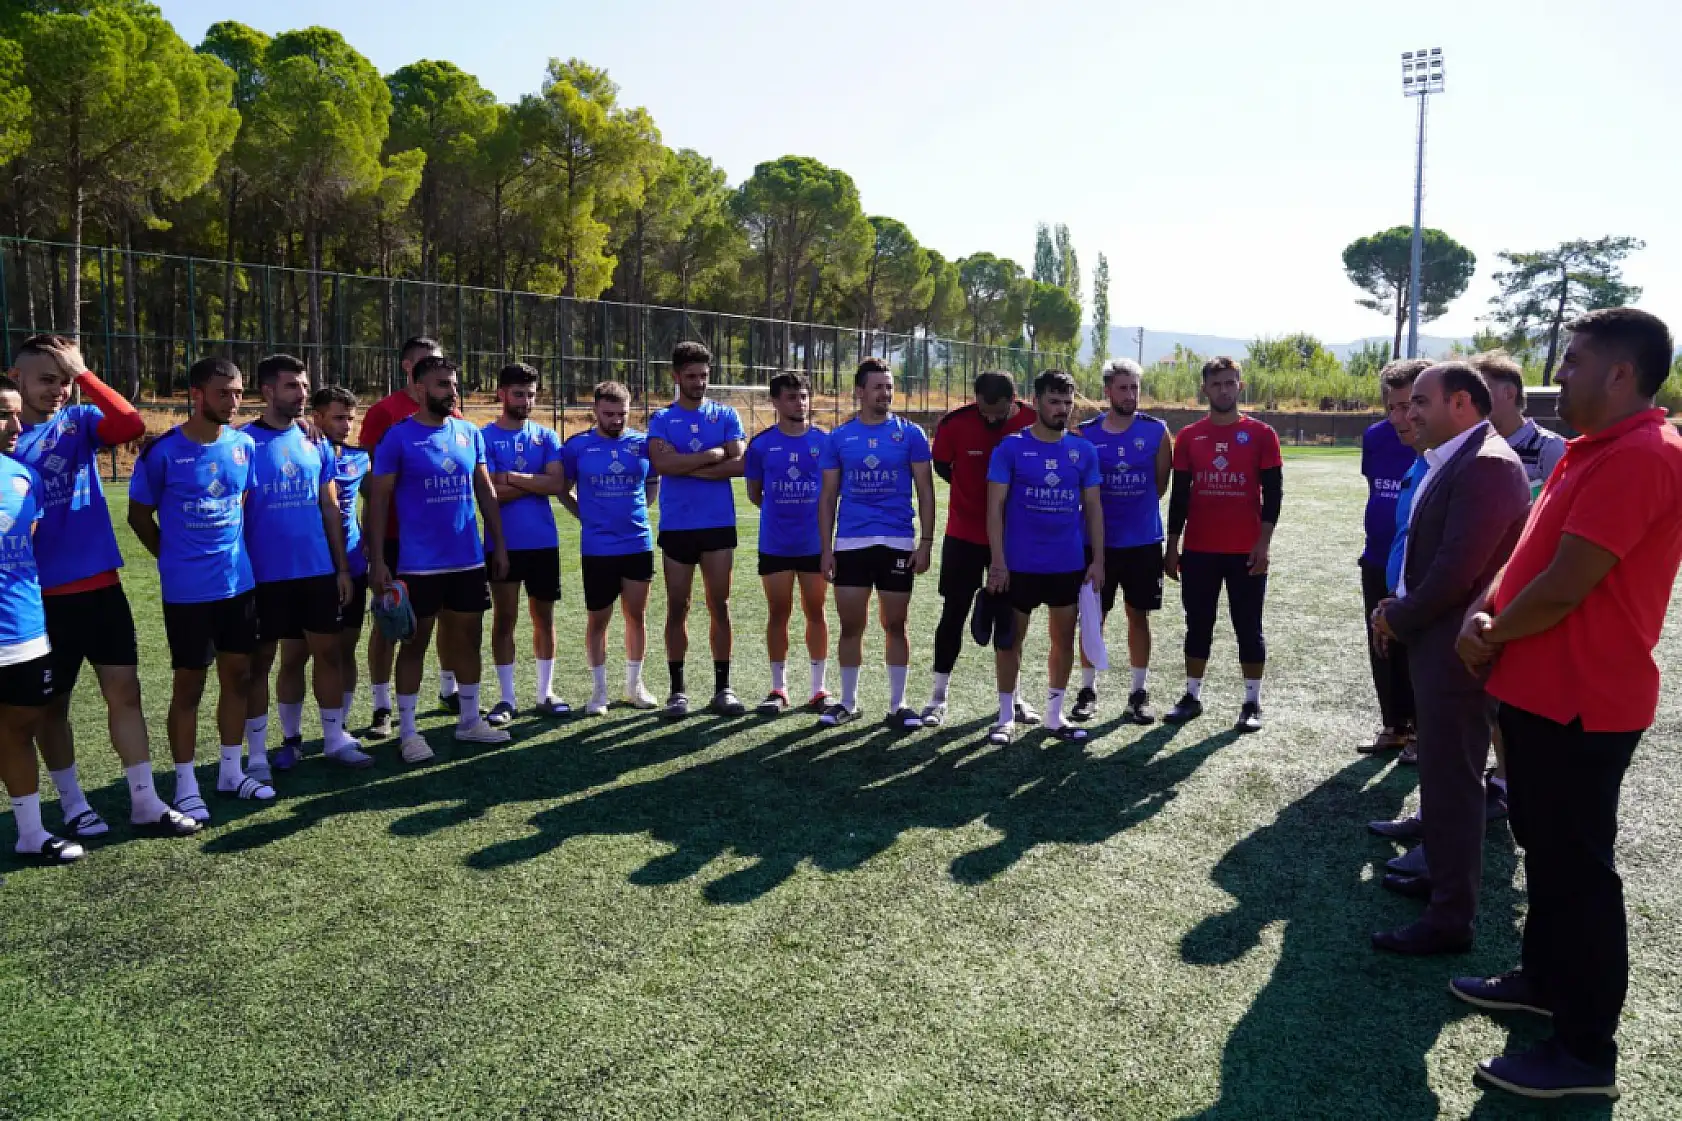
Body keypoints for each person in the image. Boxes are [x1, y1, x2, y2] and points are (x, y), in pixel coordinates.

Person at [1453, 308, 1682, 1101]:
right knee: (1549, 853)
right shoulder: (1594, 449)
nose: (1562, 375)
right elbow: (1529, 553)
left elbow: (1570, 580)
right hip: (1541, 693)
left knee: (1580, 873)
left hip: (1583, 702)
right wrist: (1490, 609)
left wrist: (1491, 630)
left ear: (1621, 373)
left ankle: (1586, 1053)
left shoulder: (1644, 454)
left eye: (1576, 360)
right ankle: (1545, 980)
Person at [1368, 362, 1528, 955]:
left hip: (1455, 651)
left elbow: (1458, 572)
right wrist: (1400, 605)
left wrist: (1397, 616)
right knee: (1442, 778)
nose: (1409, 414)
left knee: (1454, 784)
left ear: (1461, 403)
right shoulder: (1460, 457)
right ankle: (1442, 886)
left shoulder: (1484, 464)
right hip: (1437, 641)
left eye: (1420, 403)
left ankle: (1450, 918)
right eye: (1408, 405)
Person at [8, 335, 197, 839]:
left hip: (101, 588)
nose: (58, 390)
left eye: (64, 380)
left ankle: (144, 800)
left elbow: (130, 425)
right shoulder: (6, 442)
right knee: (53, 709)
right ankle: (73, 804)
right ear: (15, 378)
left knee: (125, 693)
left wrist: (85, 374)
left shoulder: (79, 422)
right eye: (47, 379)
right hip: (40, 599)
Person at [127, 357, 272, 822]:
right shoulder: (163, 452)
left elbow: (242, 502)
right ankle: (186, 783)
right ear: (197, 394)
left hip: (238, 585)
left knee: (240, 677)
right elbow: (138, 516)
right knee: (188, 686)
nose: (233, 401)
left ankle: (231, 772)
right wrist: (172, 559)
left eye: (237, 392)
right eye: (223, 392)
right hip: (188, 593)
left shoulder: (243, 445)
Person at [365, 355, 511, 763]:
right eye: (442, 384)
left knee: (468, 640)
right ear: (418, 388)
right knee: (414, 645)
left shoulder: (469, 433)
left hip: (466, 560)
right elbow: (378, 502)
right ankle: (409, 732)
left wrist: (498, 544)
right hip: (419, 565)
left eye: (453, 384)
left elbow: (485, 492)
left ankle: (469, 721)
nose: (451, 391)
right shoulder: (397, 438)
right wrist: (377, 559)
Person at [240, 354, 368, 778]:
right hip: (264, 576)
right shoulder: (242, 444)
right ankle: (263, 751)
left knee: (329, 655)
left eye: (304, 386)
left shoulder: (314, 442)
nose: (301, 394)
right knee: (264, 663)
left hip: (317, 573)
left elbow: (330, 507)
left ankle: (334, 740)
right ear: (268, 391)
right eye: (293, 386)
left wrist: (342, 569)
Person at [983, 369, 1104, 745]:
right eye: (1054, 401)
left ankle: (1054, 716)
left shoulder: (1082, 451)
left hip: (1066, 564)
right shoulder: (1011, 448)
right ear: (1036, 402)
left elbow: (1094, 510)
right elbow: (994, 509)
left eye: (1068, 402)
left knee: (1063, 640)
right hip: (1019, 565)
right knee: (1009, 641)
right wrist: (998, 562)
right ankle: (1006, 716)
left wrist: (1098, 560)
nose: (1062, 409)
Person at [1470, 349, 1567, 818]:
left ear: (1508, 393)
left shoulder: (1549, 448)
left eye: (1483, 388)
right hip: (1479, 589)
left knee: (1509, 697)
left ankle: (1507, 782)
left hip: (1523, 594)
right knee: (1479, 695)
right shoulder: (1476, 444)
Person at [1162, 357, 1282, 732]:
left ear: (1240, 386)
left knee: (1248, 626)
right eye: (1216, 384)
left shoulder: (1262, 434)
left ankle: (1251, 702)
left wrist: (1263, 544)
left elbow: (1274, 494)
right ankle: (1192, 695)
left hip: (1245, 550)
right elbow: (1180, 495)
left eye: (1230, 383)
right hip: (1199, 550)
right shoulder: (1190, 437)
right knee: (1198, 624)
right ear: (1205, 389)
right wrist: (1172, 545)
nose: (1224, 390)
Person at [817, 357, 935, 728]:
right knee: (851, 626)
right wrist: (826, 549)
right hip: (851, 543)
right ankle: (848, 702)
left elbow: (926, 492)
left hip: (898, 542)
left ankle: (898, 706)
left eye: (889, 386)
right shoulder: (839, 437)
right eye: (878, 386)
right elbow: (828, 497)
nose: (886, 393)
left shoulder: (911, 434)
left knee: (896, 625)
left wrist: (926, 542)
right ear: (860, 392)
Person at [357, 336, 466, 734]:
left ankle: (448, 687)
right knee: (392, 620)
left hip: (441, 542)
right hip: (395, 536)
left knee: (448, 619)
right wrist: (372, 537)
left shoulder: (450, 409)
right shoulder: (383, 412)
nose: (438, 373)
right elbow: (374, 482)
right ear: (409, 368)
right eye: (426, 363)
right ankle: (382, 706)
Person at [1, 374, 86, 864]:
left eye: (16, 413)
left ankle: (30, 833)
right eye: (3, 413)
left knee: (21, 725)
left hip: (24, 629)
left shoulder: (21, 476)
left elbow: (25, 547)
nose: (16, 424)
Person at [921, 370, 1036, 727]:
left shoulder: (1034, 420)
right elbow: (942, 465)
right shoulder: (954, 423)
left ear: (1013, 401)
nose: (990, 419)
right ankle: (937, 698)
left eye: (998, 414)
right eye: (983, 411)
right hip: (964, 536)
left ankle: (1014, 698)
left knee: (1012, 621)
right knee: (953, 614)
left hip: (1013, 539)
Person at [646, 341, 747, 719]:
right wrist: (710, 455)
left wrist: (684, 463)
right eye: (691, 376)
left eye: (704, 375)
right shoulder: (661, 419)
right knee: (678, 606)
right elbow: (661, 463)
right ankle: (678, 692)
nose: (699, 382)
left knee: (719, 605)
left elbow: (740, 462)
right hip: (678, 526)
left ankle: (723, 689)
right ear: (676, 377)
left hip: (718, 525)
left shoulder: (725, 414)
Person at [1072, 358, 1171, 724]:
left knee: (1138, 616)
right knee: (1092, 617)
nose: (1131, 395)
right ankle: (1087, 689)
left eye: (1135, 388)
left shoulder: (1157, 432)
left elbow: (1160, 486)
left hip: (1143, 542)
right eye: (1124, 387)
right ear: (1107, 391)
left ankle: (1137, 692)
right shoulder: (1086, 434)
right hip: (1096, 545)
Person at [560, 381, 660, 715]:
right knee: (598, 619)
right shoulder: (578, 447)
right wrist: (584, 516)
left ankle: (635, 686)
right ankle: (599, 692)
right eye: (609, 414)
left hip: (637, 543)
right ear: (595, 411)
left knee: (636, 616)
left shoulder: (643, 444)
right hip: (598, 548)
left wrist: (641, 514)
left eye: (622, 414)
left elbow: (652, 482)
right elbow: (562, 488)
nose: (616, 420)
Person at [481, 362, 568, 724]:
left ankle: (545, 692)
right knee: (505, 619)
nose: (526, 400)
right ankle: (507, 698)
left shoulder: (546, 437)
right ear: (501, 394)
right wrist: (532, 482)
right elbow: (488, 494)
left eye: (531, 394)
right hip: (502, 543)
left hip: (543, 543)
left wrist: (510, 477)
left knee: (543, 619)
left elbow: (556, 485)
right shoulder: (483, 436)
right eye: (519, 393)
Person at [743, 372, 830, 715]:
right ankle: (778, 688)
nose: (800, 402)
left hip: (814, 544)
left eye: (804, 396)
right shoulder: (762, 445)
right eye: (792, 397)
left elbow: (831, 493)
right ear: (776, 402)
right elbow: (754, 494)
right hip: (776, 544)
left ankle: (819, 688)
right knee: (778, 613)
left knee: (816, 612)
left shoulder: (825, 442)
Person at [1357, 358, 1431, 756]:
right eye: (1393, 406)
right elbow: (1376, 488)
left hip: (1419, 568)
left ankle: (1423, 731)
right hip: (1377, 558)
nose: (1402, 416)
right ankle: (1394, 725)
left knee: (1416, 649)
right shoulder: (1375, 437)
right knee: (1381, 644)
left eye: (1409, 405)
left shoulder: (1438, 444)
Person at [312, 386, 373, 745]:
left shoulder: (360, 457)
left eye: (350, 418)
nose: (347, 425)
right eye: (338, 417)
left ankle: (340, 726)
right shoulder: (303, 449)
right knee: (300, 654)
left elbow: (374, 497)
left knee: (345, 649)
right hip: (311, 569)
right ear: (316, 417)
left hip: (353, 564)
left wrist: (367, 536)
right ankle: (290, 736)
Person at [1480, 351, 1567, 499]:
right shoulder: (1476, 448)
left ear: (1509, 393)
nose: (1474, 402)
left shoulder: (1549, 448)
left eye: (1481, 392)